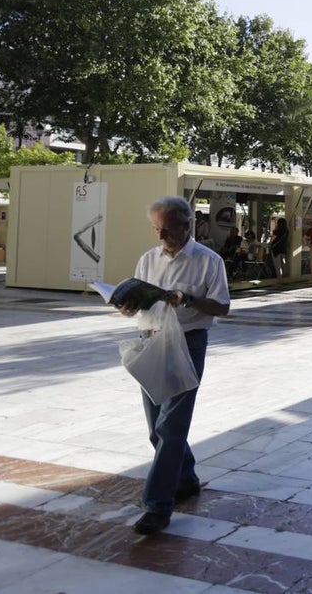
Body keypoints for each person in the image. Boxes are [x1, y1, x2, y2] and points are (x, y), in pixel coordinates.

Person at [121, 196, 229, 535]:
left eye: (167, 230)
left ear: (187, 225)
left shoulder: (208, 261)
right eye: (156, 229)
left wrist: (189, 299)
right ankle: (185, 477)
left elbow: (222, 307)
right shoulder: (147, 260)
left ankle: (157, 506)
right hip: (150, 341)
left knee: (171, 428)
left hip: (187, 342)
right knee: (156, 428)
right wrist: (128, 306)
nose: (161, 236)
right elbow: (140, 303)